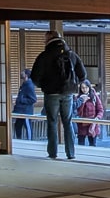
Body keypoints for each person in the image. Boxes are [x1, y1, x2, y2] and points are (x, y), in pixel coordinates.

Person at [30, 30, 86, 160]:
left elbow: (34, 77)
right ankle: (71, 153)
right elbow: (83, 75)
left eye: (45, 39)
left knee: (52, 122)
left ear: (49, 39)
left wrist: (44, 85)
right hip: (68, 94)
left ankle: (53, 153)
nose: (44, 41)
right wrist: (72, 84)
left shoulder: (44, 56)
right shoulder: (72, 54)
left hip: (51, 94)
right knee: (68, 122)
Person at [72, 79, 104, 146]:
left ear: (89, 87)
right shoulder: (78, 98)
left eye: (86, 87)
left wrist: (97, 119)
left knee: (93, 145)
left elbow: (100, 110)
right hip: (81, 125)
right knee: (81, 145)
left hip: (92, 124)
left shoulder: (94, 97)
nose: (84, 89)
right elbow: (76, 112)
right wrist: (82, 101)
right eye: (82, 88)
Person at [12, 70, 37, 140]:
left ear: (26, 75)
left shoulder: (29, 85)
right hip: (19, 111)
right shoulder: (24, 85)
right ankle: (18, 140)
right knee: (17, 126)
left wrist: (21, 100)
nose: (20, 73)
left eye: (22, 72)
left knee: (28, 126)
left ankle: (30, 142)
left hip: (26, 111)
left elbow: (33, 99)